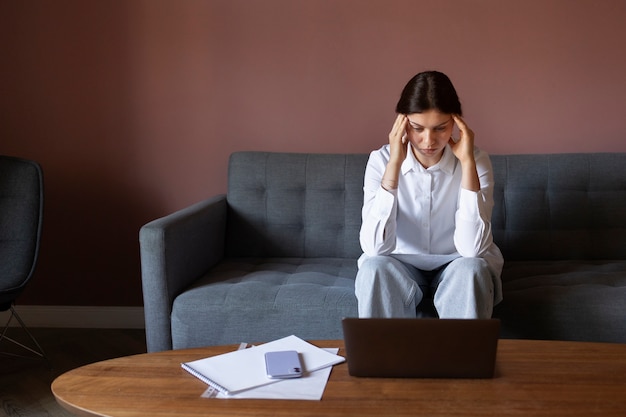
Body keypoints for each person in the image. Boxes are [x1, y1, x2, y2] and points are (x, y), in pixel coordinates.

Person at [356, 70, 503, 319]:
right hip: (400, 265)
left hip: (457, 264)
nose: (428, 141)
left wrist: (467, 164)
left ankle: (461, 359)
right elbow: (374, 248)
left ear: (456, 123)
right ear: (402, 124)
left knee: (472, 268)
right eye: (417, 128)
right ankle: (385, 359)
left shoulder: (476, 160)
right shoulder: (380, 161)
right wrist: (394, 164)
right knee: (373, 268)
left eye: (440, 128)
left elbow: (472, 249)